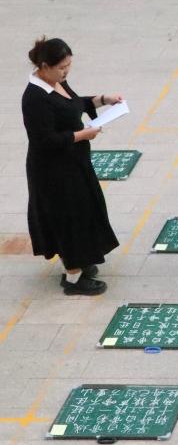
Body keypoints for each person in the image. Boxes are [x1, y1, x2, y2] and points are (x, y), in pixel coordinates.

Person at [22, 37, 120, 296]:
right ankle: (73, 278)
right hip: (53, 172)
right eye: (61, 67)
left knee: (84, 211)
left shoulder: (57, 82)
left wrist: (103, 99)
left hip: (74, 163)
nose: (66, 72)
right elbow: (45, 140)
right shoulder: (34, 98)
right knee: (68, 218)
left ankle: (82, 260)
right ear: (45, 66)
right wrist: (82, 135)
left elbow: (74, 105)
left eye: (68, 66)